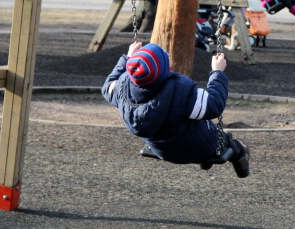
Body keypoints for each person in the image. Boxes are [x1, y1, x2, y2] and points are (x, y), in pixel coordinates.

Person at [101, 42, 250, 178]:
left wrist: (128, 58)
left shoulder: (122, 88)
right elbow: (214, 105)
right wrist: (217, 72)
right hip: (197, 147)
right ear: (165, 69)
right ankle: (240, 157)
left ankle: (209, 154)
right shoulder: (181, 90)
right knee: (228, 142)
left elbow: (107, 87)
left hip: (163, 150)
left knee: (196, 123)